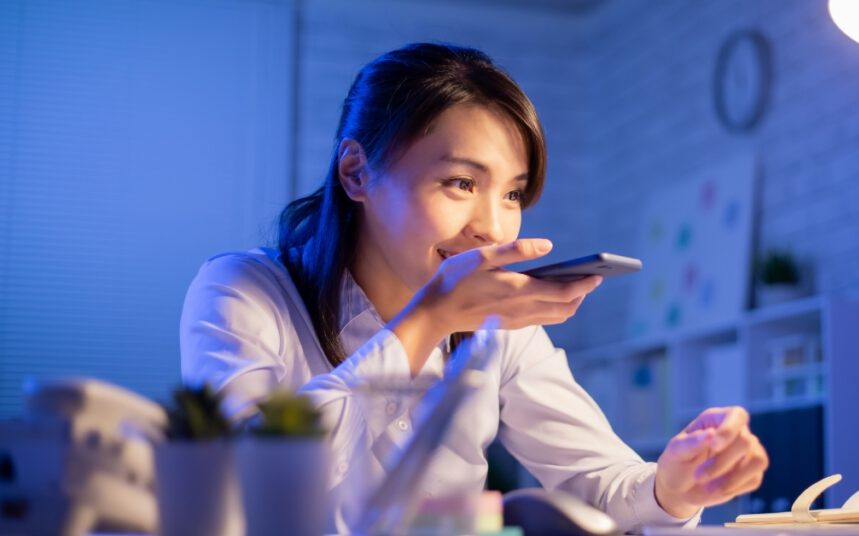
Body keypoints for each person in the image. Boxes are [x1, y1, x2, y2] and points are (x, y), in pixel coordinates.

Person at [180, 42, 768, 532]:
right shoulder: (243, 290)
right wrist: (427, 321)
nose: (492, 226)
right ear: (356, 172)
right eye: (461, 182)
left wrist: (675, 484)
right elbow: (242, 485)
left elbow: (603, 484)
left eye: (512, 193)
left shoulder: (500, 328)